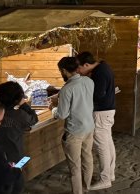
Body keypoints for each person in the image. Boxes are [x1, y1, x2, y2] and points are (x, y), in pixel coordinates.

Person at [52, 57, 95, 194]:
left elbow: (62, 115)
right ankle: (86, 187)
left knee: (75, 166)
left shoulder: (67, 89)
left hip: (74, 132)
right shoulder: (89, 81)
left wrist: (53, 108)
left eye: (61, 71)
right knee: (87, 159)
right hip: (89, 127)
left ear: (64, 70)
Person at [77, 52, 117, 191]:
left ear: (86, 65)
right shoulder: (103, 66)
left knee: (101, 146)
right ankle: (110, 174)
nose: (79, 72)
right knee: (108, 143)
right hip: (108, 110)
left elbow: (98, 95)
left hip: (101, 112)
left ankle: (105, 178)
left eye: (79, 68)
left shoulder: (99, 73)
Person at [0, 82, 36, 194]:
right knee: (17, 185)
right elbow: (34, 119)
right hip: (17, 159)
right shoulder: (20, 115)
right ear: (18, 99)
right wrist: (24, 104)